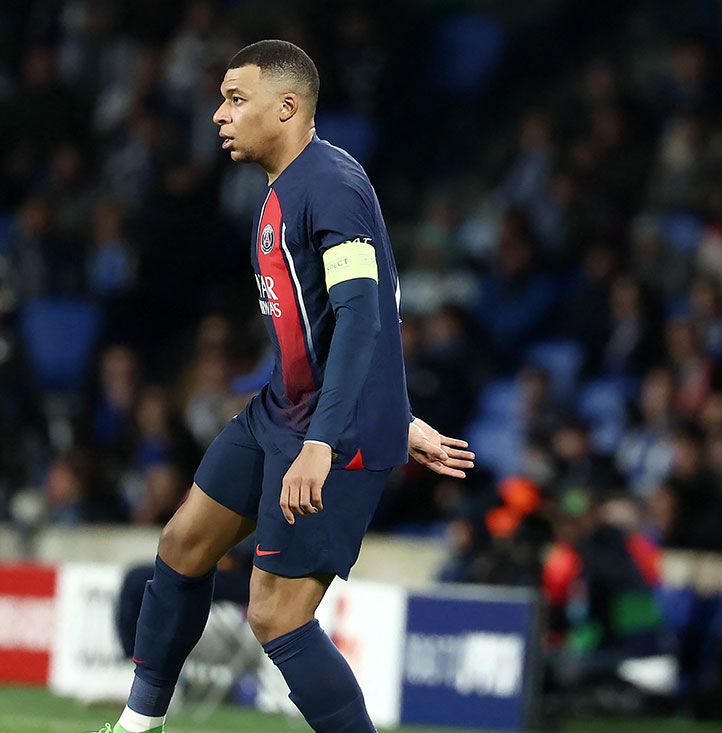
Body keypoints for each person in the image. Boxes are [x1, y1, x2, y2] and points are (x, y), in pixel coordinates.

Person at [98, 40, 476, 733]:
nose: (219, 114)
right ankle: (137, 727)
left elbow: (364, 315)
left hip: (334, 433)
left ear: (288, 105)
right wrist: (403, 414)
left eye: (236, 99)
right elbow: (337, 324)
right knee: (183, 544)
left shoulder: (331, 186)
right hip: (281, 410)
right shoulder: (279, 188)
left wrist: (331, 438)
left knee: (275, 614)